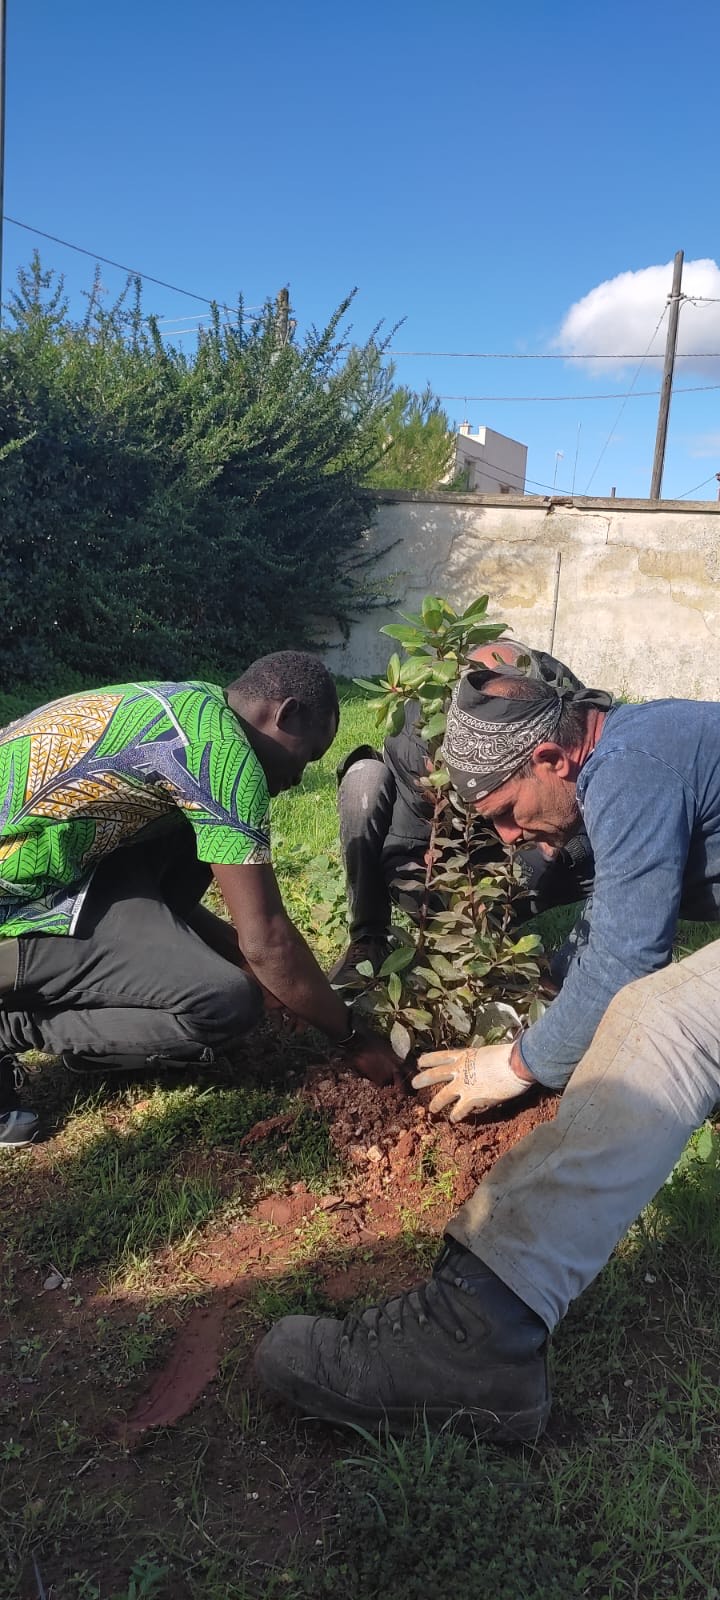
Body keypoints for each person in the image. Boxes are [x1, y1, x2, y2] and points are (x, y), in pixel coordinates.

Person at [255, 667, 720, 1439]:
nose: (506, 838)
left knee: (667, 1021)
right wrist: (555, 998)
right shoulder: (636, 748)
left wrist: (517, 1064)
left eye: (505, 813)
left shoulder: (636, 767)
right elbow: (615, 917)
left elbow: (629, 958)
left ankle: (478, 1332)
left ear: (550, 759)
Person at [0, 654, 400, 1147]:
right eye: (308, 755)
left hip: (51, 868)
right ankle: (12, 1023)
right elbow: (268, 941)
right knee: (224, 1003)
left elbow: (189, 909)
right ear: (286, 714)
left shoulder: (193, 706)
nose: (299, 778)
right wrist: (353, 1038)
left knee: (188, 843)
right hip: (14, 906)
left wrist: (267, 974)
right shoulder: (222, 757)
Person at [328, 638, 595, 990]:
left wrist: (540, 861)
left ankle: (583, 965)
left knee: (614, 846)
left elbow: (600, 804)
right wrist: (451, 916)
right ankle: (368, 941)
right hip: (444, 856)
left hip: (521, 849)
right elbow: (404, 856)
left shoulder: (561, 699)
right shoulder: (418, 737)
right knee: (364, 780)